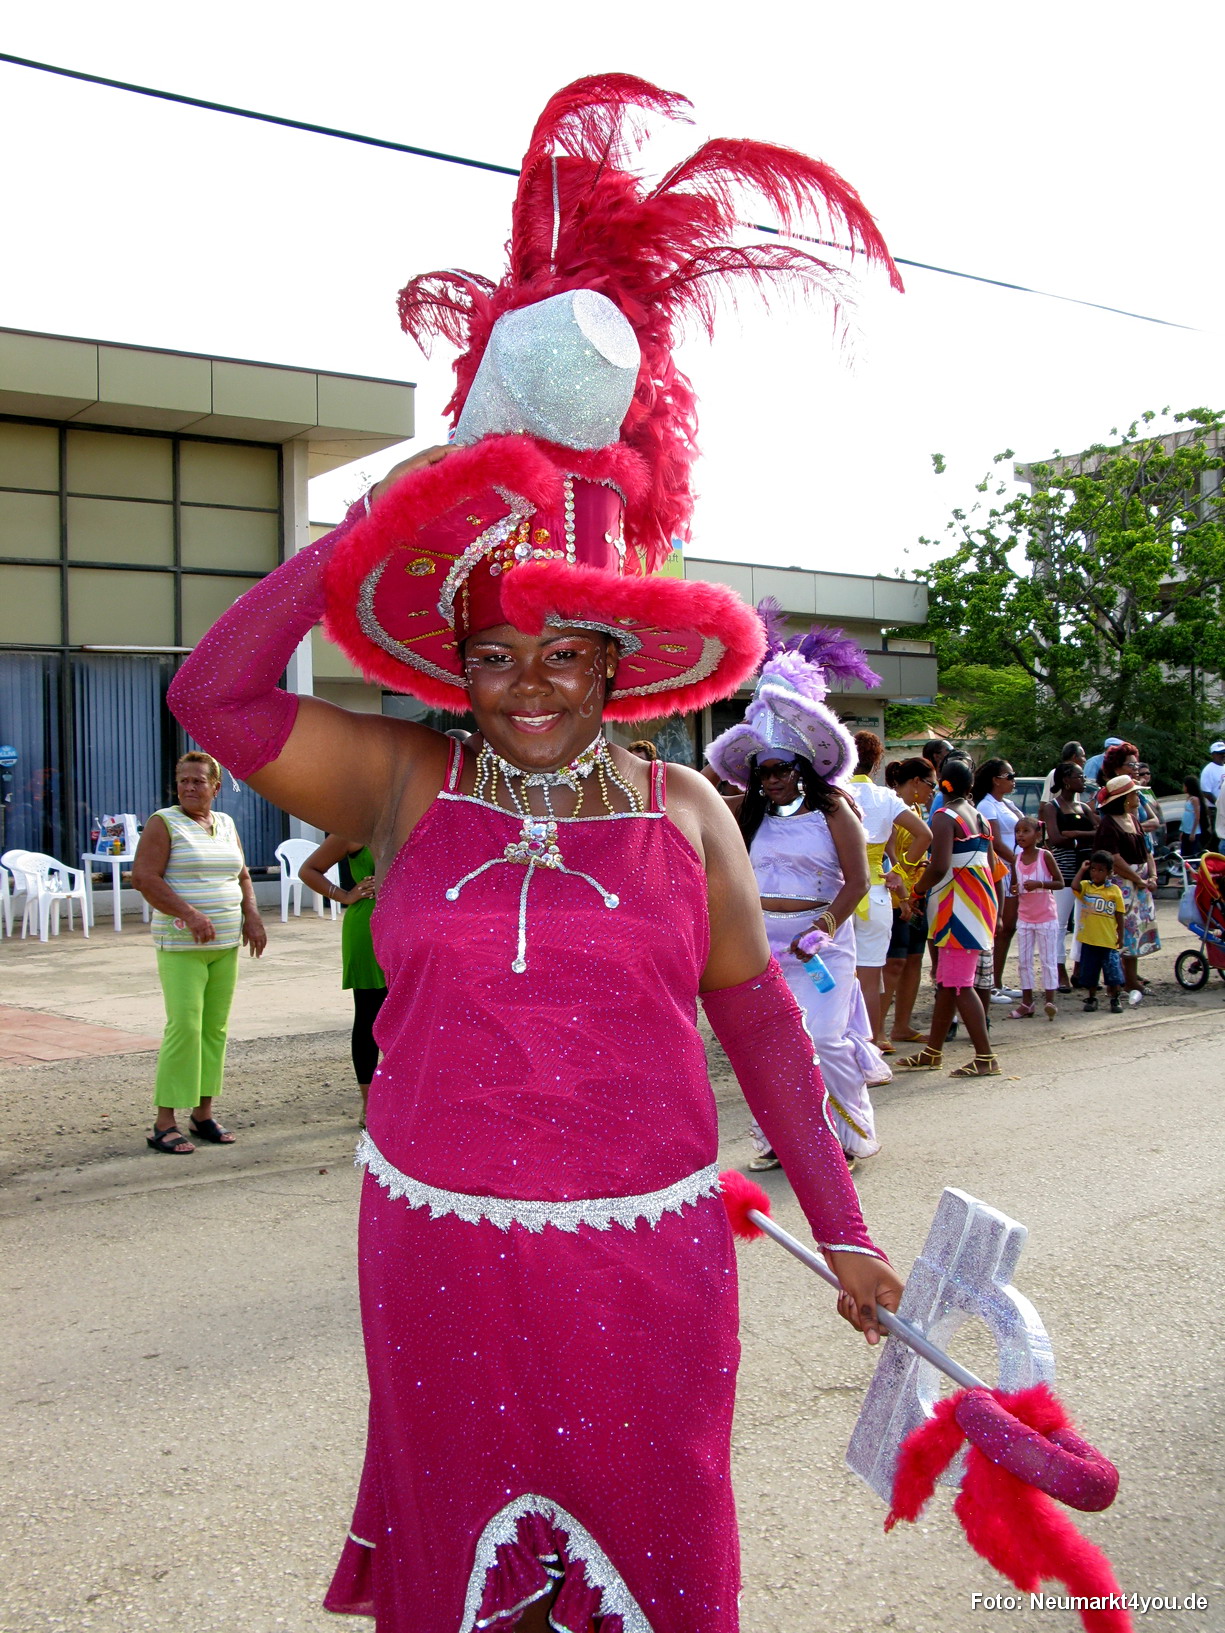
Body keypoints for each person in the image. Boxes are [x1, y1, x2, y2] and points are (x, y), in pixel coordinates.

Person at [166, 74, 903, 1631]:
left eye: (569, 653)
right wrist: (382, 521)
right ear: (454, 667)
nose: (533, 687)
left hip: (646, 1258)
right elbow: (213, 695)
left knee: (656, 1541)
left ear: (623, 659)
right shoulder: (404, 783)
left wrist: (840, 1225)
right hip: (435, 1249)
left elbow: (760, 1025)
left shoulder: (687, 811)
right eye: (493, 656)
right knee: (465, 1558)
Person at [706, 631, 897, 1171]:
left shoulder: (836, 810)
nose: (766, 781)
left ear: (803, 768)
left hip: (822, 946)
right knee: (771, 1047)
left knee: (826, 1042)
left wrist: (827, 928)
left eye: (777, 770)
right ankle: (779, 1137)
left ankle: (846, 1135)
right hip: (762, 945)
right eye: (759, 770)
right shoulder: (749, 812)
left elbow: (858, 880)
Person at [131, 750, 267, 1153]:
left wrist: (253, 916)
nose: (189, 787)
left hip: (225, 943)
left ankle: (203, 1113)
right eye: (183, 780)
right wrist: (189, 914)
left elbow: (242, 874)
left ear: (216, 787)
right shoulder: (164, 823)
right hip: (181, 943)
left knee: (214, 1029)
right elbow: (144, 877)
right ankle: (164, 1121)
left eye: (198, 781)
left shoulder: (224, 823)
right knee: (184, 1028)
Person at [897, 757, 999, 1076]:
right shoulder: (980, 818)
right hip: (979, 905)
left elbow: (940, 866)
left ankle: (985, 1058)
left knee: (958, 985)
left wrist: (916, 892)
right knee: (948, 982)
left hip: (957, 909)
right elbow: (992, 867)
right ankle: (932, 1052)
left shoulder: (944, 816)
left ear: (943, 783)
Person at [848, 731, 931, 1049]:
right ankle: (870, 1047)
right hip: (877, 893)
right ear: (876, 762)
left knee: (838, 978)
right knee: (870, 978)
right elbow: (924, 835)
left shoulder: (832, 793)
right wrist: (899, 872)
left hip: (837, 894)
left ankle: (837, 1051)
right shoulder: (885, 798)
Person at [299, 836, 386, 1124]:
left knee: (408, 1020)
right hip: (368, 928)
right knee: (369, 1015)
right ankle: (369, 1104)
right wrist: (343, 895)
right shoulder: (354, 828)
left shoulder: (411, 818)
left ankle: (402, 1097)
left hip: (410, 928)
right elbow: (308, 869)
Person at [880, 757, 937, 1044]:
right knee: (893, 962)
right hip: (894, 895)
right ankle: (876, 1030)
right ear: (915, 782)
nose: (932, 791)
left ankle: (901, 1025)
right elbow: (889, 853)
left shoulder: (915, 809)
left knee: (914, 958)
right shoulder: (891, 805)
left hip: (916, 893)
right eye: (930, 784)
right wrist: (902, 885)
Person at [1094, 775, 1159, 1004]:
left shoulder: (1133, 819)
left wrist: (1151, 875)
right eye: (1134, 793)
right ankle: (1117, 981)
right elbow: (1114, 858)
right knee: (1119, 935)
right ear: (1123, 798)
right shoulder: (1109, 824)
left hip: (1139, 882)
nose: (1137, 797)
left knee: (1135, 935)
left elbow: (1147, 850)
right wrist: (1137, 879)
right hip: (1122, 886)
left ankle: (1131, 979)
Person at [1038, 761, 1097, 990]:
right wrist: (1081, 838)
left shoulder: (1084, 807)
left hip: (1085, 870)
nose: (1083, 780)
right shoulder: (1053, 807)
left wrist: (1075, 834)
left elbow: (1099, 831)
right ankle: (1059, 969)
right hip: (1064, 869)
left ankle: (1080, 968)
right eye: (1079, 776)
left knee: (1084, 921)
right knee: (1060, 923)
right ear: (1065, 780)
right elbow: (1054, 837)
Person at [972, 758, 1024, 997]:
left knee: (1009, 927)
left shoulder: (1007, 804)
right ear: (996, 780)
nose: (1013, 781)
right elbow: (996, 843)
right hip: (1003, 868)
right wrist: (1019, 863)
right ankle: (988, 983)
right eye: (1009, 776)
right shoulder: (987, 806)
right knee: (1000, 925)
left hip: (1015, 867)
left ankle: (998, 981)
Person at [1008, 815, 1062, 1020]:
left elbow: (1059, 882)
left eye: (1025, 831)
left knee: (1048, 960)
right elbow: (1015, 886)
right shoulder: (1017, 859)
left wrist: (1040, 884)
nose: (1020, 835)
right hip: (1025, 917)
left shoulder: (1044, 856)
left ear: (1037, 835)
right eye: (1017, 831)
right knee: (1024, 961)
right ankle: (1027, 1002)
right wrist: (1015, 889)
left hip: (1046, 917)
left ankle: (1050, 1000)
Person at [1071, 851, 1126, 1013]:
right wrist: (1082, 869)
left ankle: (1115, 999)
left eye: (1101, 870)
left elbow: (1120, 914)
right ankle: (1092, 997)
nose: (1096, 873)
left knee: (1112, 972)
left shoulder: (1114, 891)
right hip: (1089, 940)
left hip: (1108, 940)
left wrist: (1121, 936)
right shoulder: (1086, 887)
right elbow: (1074, 886)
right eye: (1093, 869)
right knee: (1090, 972)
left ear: (1109, 872)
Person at [1039, 740, 1086, 805]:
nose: (1085, 760)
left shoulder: (1076, 778)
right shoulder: (1055, 774)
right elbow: (1044, 805)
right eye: (1083, 756)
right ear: (1074, 757)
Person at [1179, 774, 1208, 859]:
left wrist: (1193, 832)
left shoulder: (1195, 799)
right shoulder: (1188, 798)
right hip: (1186, 829)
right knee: (1184, 851)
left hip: (1192, 831)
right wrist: (1182, 830)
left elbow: (1197, 817)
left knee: (1192, 852)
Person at [1199, 740, 1225, 813]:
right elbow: (1206, 793)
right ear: (1213, 754)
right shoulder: (1208, 771)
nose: (1223, 755)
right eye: (1220, 753)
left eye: (1224, 752)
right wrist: (1220, 805)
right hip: (1215, 809)